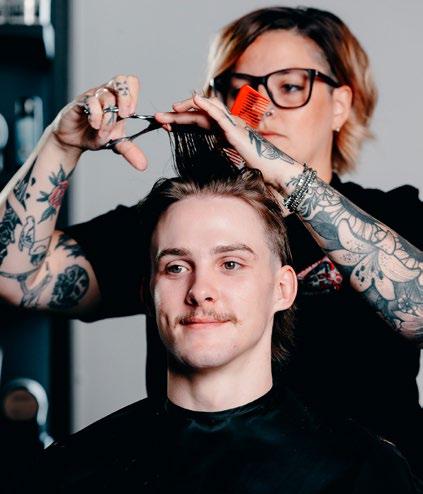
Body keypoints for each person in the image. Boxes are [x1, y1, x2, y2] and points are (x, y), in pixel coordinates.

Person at [1, 167, 422, 494]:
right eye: (175, 267)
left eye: (231, 264)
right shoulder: (62, 476)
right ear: (147, 292)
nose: (200, 290)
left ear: (283, 288)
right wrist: (62, 142)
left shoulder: (364, 480)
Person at [0, 7, 421, 466]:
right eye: (241, 90)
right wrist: (61, 143)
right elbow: (14, 275)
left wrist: (284, 175)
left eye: (290, 87)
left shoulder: (393, 216)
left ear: (340, 104)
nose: (263, 106)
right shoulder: (179, 225)